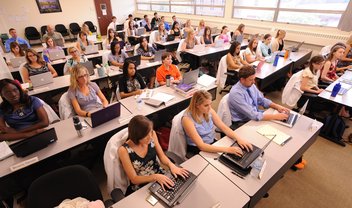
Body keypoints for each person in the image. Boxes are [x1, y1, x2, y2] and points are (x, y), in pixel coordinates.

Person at [119, 115, 189, 195]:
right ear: (137, 137)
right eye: (146, 136)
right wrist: (155, 177)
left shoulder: (152, 135)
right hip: (142, 183)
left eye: (151, 132)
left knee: (178, 191)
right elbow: (134, 179)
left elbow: (162, 156)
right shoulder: (124, 150)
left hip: (159, 174)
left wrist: (171, 165)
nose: (150, 137)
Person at [182, 90, 252, 156]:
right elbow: (201, 146)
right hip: (198, 149)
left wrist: (239, 139)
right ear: (197, 105)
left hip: (211, 143)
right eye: (206, 105)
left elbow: (224, 128)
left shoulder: (209, 111)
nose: (210, 108)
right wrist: (228, 150)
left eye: (210, 104)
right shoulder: (187, 120)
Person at [228, 65, 289, 130]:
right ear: (242, 80)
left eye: (254, 79)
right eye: (251, 80)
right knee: (272, 129)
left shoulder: (250, 85)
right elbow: (252, 115)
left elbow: (261, 99)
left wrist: (277, 106)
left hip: (255, 115)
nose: (254, 82)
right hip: (243, 122)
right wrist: (275, 116)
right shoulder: (236, 93)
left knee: (278, 126)